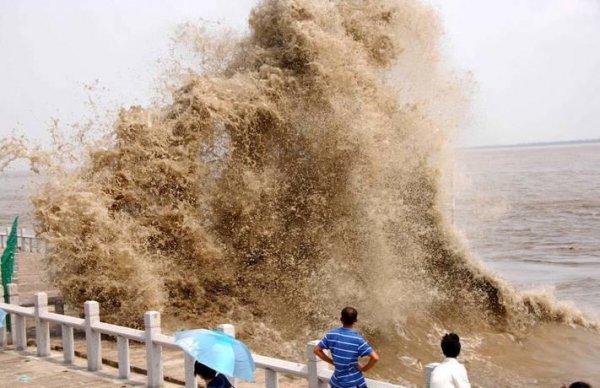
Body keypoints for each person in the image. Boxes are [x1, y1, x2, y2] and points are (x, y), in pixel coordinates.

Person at [313, 306, 380, 387]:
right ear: (355, 321)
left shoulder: (331, 334)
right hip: (354, 383)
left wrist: (333, 362)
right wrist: (364, 369)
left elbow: (316, 350)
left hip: (337, 383)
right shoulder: (358, 339)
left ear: (341, 319)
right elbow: (375, 358)